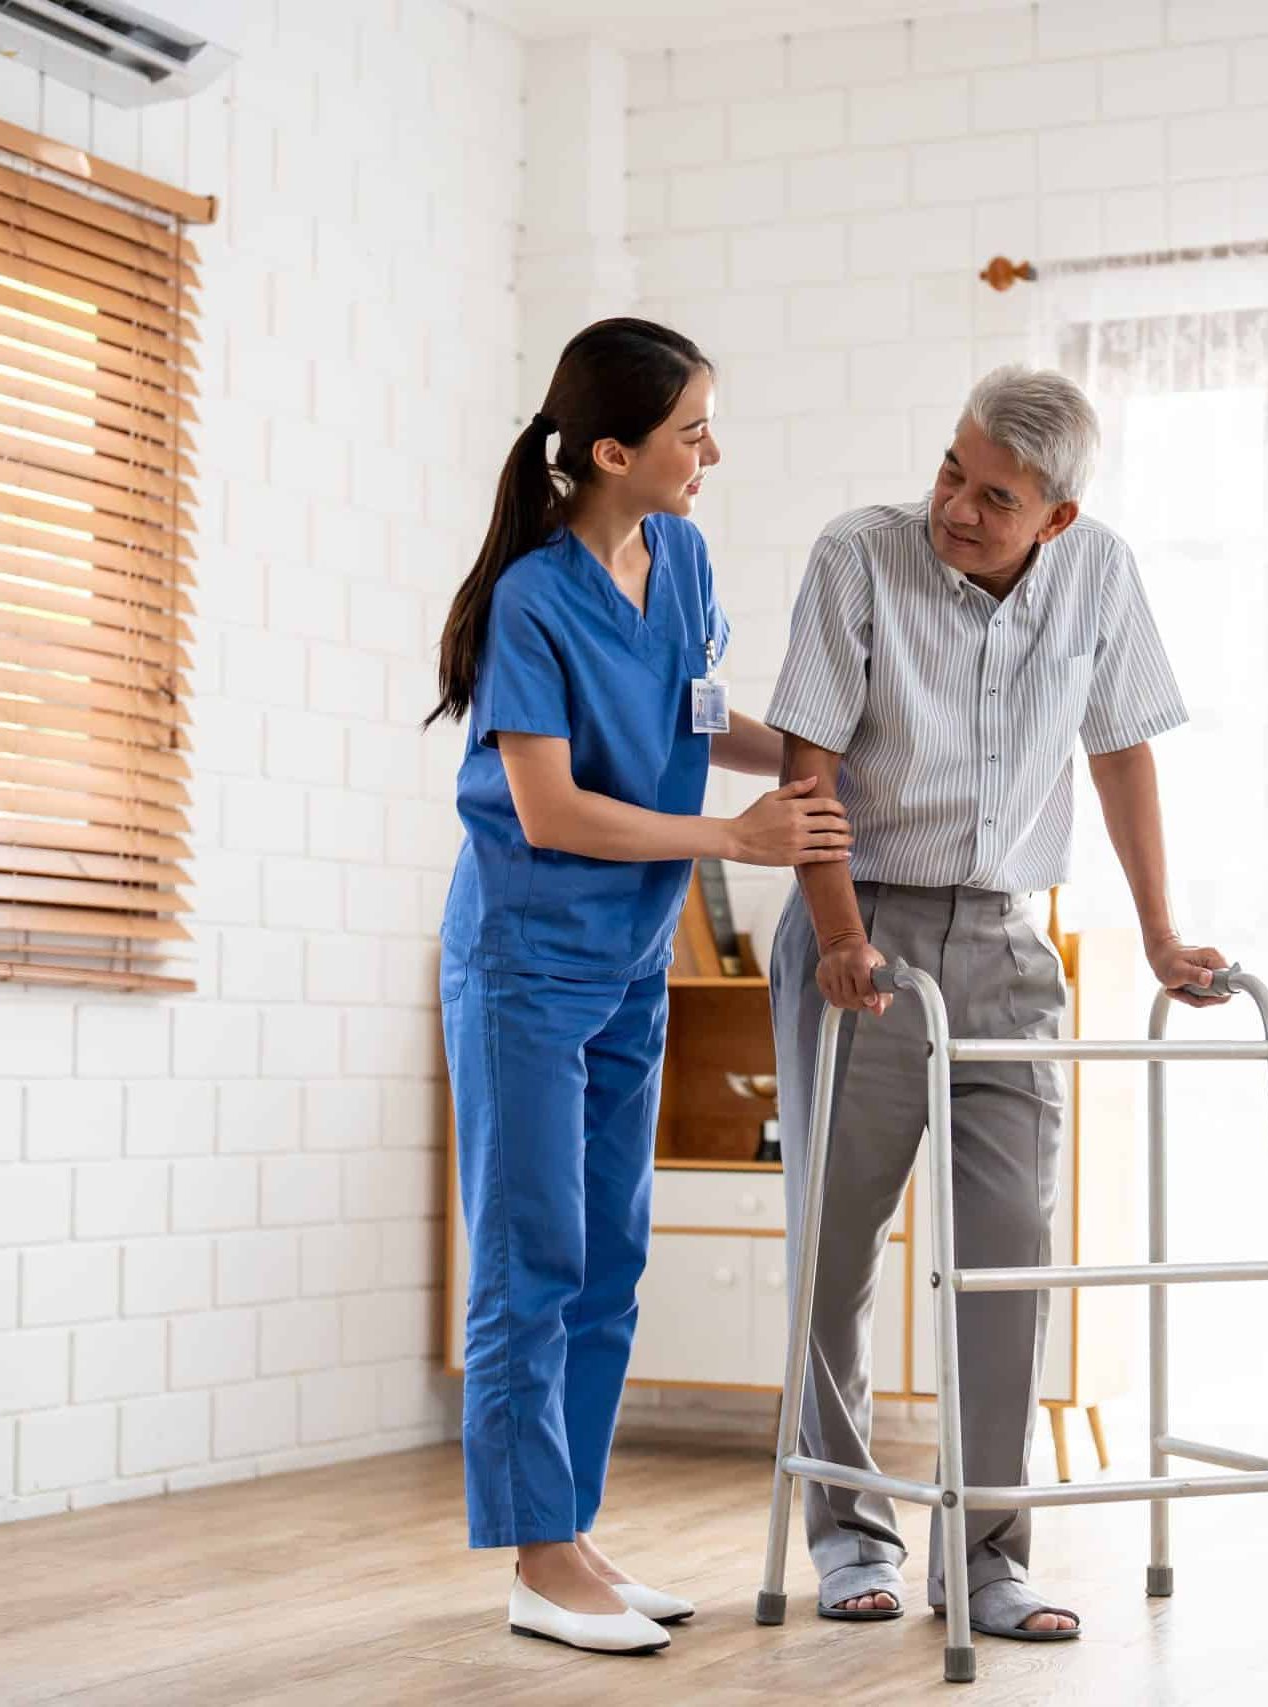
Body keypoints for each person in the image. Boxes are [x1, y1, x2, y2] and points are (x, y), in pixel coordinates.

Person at [765, 365, 1228, 1642]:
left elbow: (1120, 746)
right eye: (951, 472)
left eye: (996, 497)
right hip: (859, 927)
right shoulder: (859, 557)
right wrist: (841, 936)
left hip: (1010, 948)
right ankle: (850, 1533)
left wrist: (1158, 935)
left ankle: (985, 1558)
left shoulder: (1100, 573)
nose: (957, 508)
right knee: (837, 1252)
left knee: (1008, 1262)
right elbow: (808, 760)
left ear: (1056, 518)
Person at [428, 318, 851, 1658]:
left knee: (610, 1259)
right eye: (689, 432)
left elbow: (688, 715)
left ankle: (574, 1535)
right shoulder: (532, 599)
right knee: (530, 1257)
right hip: (525, 958)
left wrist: (820, 756)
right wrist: (734, 838)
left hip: (624, 963)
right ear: (612, 449)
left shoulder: (679, 554)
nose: (709, 451)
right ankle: (534, 1554)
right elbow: (547, 809)